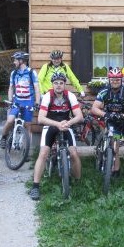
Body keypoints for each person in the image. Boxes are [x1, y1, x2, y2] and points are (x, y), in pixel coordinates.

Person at [29, 72, 83, 200]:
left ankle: (78, 182)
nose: (58, 85)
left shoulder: (70, 96)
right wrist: (57, 124)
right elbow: (41, 119)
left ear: (64, 84)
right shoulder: (48, 96)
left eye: (61, 83)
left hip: (66, 124)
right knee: (43, 153)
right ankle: (35, 186)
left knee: (74, 153)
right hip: (51, 125)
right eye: (56, 83)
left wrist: (68, 123)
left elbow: (79, 116)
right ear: (52, 84)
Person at [91, 67, 124, 178]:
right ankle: (116, 172)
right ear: (109, 80)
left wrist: (121, 116)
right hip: (112, 121)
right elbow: (94, 108)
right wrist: (105, 115)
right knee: (114, 147)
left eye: (117, 79)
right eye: (112, 79)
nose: (115, 82)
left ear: (121, 80)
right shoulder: (104, 91)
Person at [0, 52, 40, 149]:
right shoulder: (14, 73)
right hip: (17, 101)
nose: (14, 62)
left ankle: (26, 150)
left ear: (21, 61)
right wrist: (10, 100)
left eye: (15, 60)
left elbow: (36, 89)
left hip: (28, 101)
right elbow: (11, 87)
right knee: (10, 120)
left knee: (28, 125)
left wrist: (37, 103)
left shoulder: (31, 72)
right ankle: (4, 137)